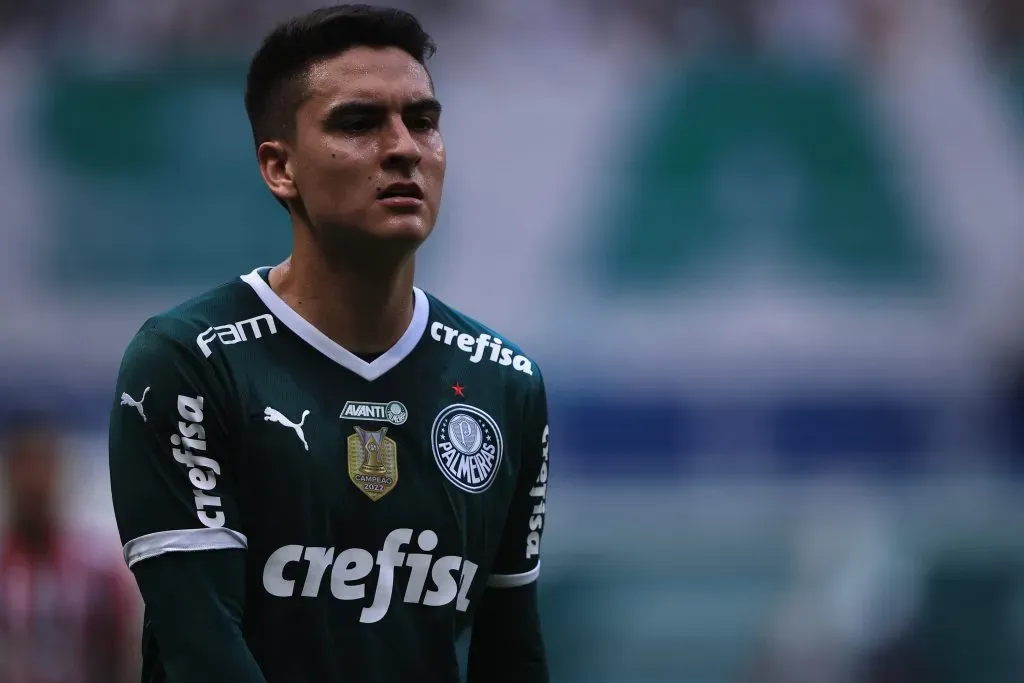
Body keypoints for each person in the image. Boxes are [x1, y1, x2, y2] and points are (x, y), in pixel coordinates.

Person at [107, 5, 551, 682]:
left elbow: (511, 654)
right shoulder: (188, 363)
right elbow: (205, 653)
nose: (403, 146)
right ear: (279, 168)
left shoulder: (506, 381)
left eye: (423, 120)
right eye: (359, 122)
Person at [1, 410, 139, 683]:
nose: (35, 481)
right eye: (24, 467)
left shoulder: (99, 574)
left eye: (43, 467)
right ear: (10, 475)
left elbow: (122, 658)